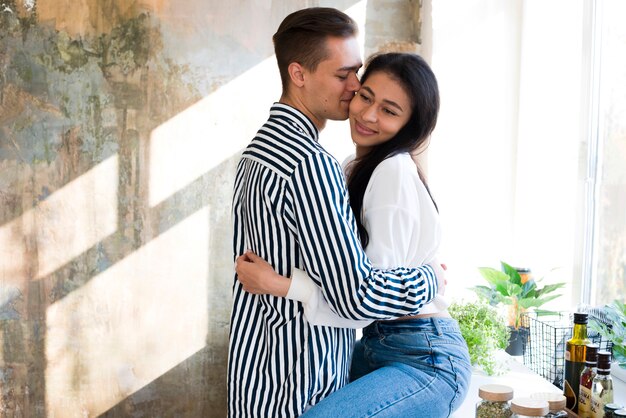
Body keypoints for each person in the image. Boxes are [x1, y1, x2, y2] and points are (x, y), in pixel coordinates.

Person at [228, 7, 446, 418]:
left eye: (356, 72)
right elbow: (358, 298)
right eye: (343, 75)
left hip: (256, 365)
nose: (354, 88)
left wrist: (280, 284)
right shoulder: (312, 163)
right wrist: (429, 279)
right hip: (294, 372)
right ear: (299, 74)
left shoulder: (256, 151)